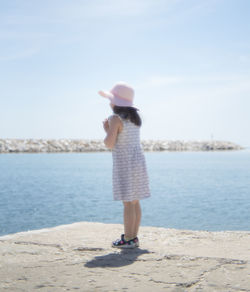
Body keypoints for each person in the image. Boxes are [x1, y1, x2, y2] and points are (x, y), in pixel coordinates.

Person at [98, 81, 151, 248]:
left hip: (125, 163)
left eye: (111, 99)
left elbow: (109, 143)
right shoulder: (135, 118)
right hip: (138, 161)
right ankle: (133, 237)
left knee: (127, 202)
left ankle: (127, 238)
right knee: (135, 201)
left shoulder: (115, 119)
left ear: (117, 102)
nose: (109, 102)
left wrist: (107, 130)